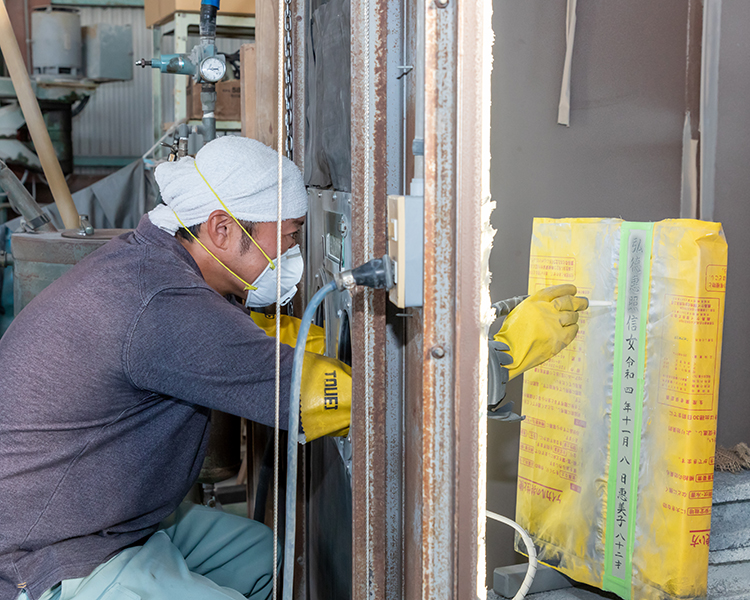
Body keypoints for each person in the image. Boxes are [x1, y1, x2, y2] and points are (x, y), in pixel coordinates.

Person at [0, 135, 586, 600]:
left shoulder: (152, 264)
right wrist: (497, 355)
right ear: (222, 229)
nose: (293, 260)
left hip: (115, 518)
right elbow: (326, 401)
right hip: (51, 553)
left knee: (271, 562)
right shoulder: (162, 308)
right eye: (286, 240)